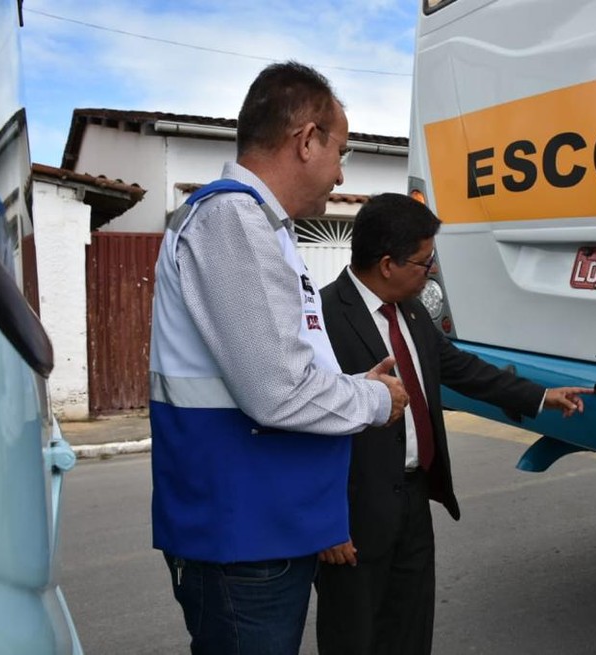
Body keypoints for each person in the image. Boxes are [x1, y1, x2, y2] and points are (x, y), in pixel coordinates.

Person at [147, 61, 408, 655]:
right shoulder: (232, 221)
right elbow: (276, 390)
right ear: (306, 139)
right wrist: (372, 399)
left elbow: (282, 365)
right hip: (243, 538)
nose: (341, 175)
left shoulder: (262, 226)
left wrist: (344, 382)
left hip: (264, 529)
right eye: (340, 152)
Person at [315, 192, 593, 655]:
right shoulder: (322, 319)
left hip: (414, 500)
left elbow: (462, 368)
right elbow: (307, 429)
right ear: (388, 264)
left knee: (411, 628)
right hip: (352, 516)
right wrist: (324, 524)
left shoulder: (411, 311)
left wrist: (541, 396)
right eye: (424, 263)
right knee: (354, 637)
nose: (431, 273)